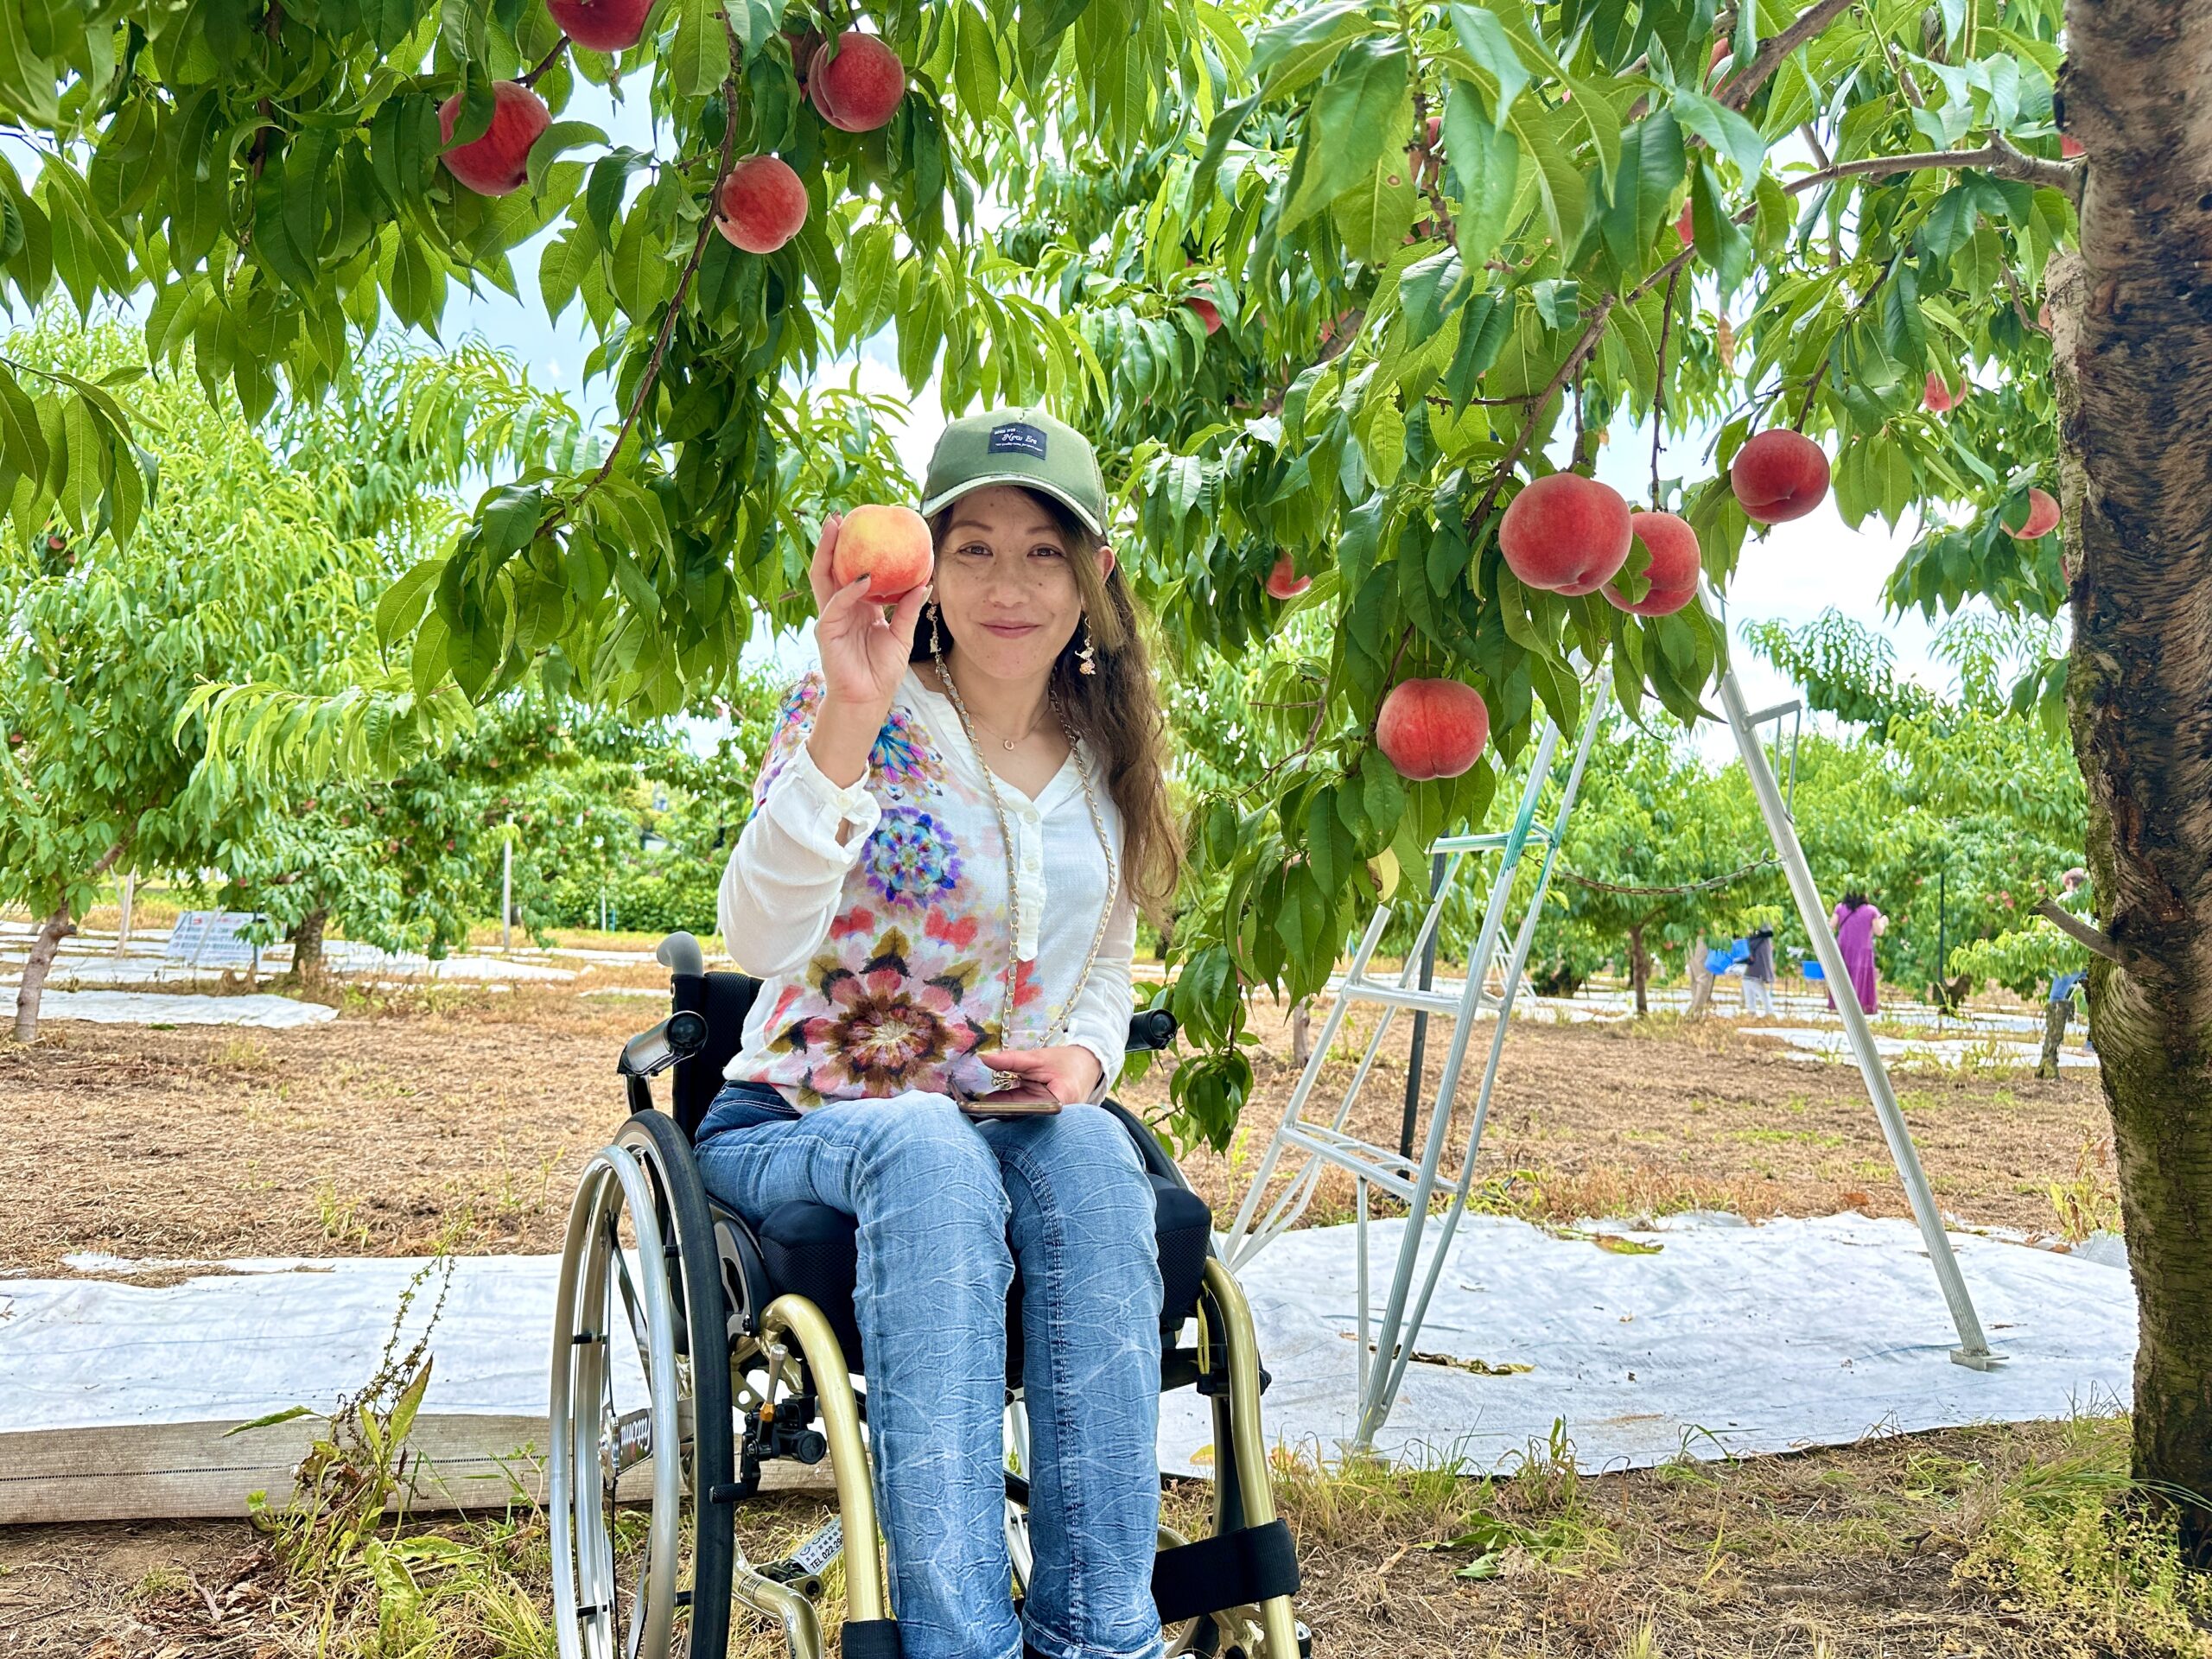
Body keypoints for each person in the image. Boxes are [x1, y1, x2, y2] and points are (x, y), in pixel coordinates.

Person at [694, 408, 1183, 1659]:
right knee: (920, 1138)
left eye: (1043, 552)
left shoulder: (1108, 755)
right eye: (973, 550)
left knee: (1089, 1152)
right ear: (927, 565)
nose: (1009, 585)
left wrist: (1085, 1058)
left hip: (997, 1131)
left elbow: (1105, 967)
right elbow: (753, 935)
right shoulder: (855, 705)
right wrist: (850, 715)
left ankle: (1098, 1638)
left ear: (1094, 578)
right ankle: (956, 1643)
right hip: (802, 1123)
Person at [1830, 887, 1885, 1015]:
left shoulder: (1840, 908)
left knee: (1843, 975)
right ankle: (1862, 1005)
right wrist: (1883, 921)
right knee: (1861, 975)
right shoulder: (1871, 910)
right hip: (1863, 950)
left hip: (1844, 949)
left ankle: (1840, 1005)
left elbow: (1831, 926)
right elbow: (1879, 931)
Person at [1742, 924, 1777, 1015]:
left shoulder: (1759, 940)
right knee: (1753, 987)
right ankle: (1756, 1011)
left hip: (1754, 971)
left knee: (1756, 988)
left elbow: (1765, 959)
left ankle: (1766, 1012)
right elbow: (1767, 960)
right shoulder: (1765, 942)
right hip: (1755, 972)